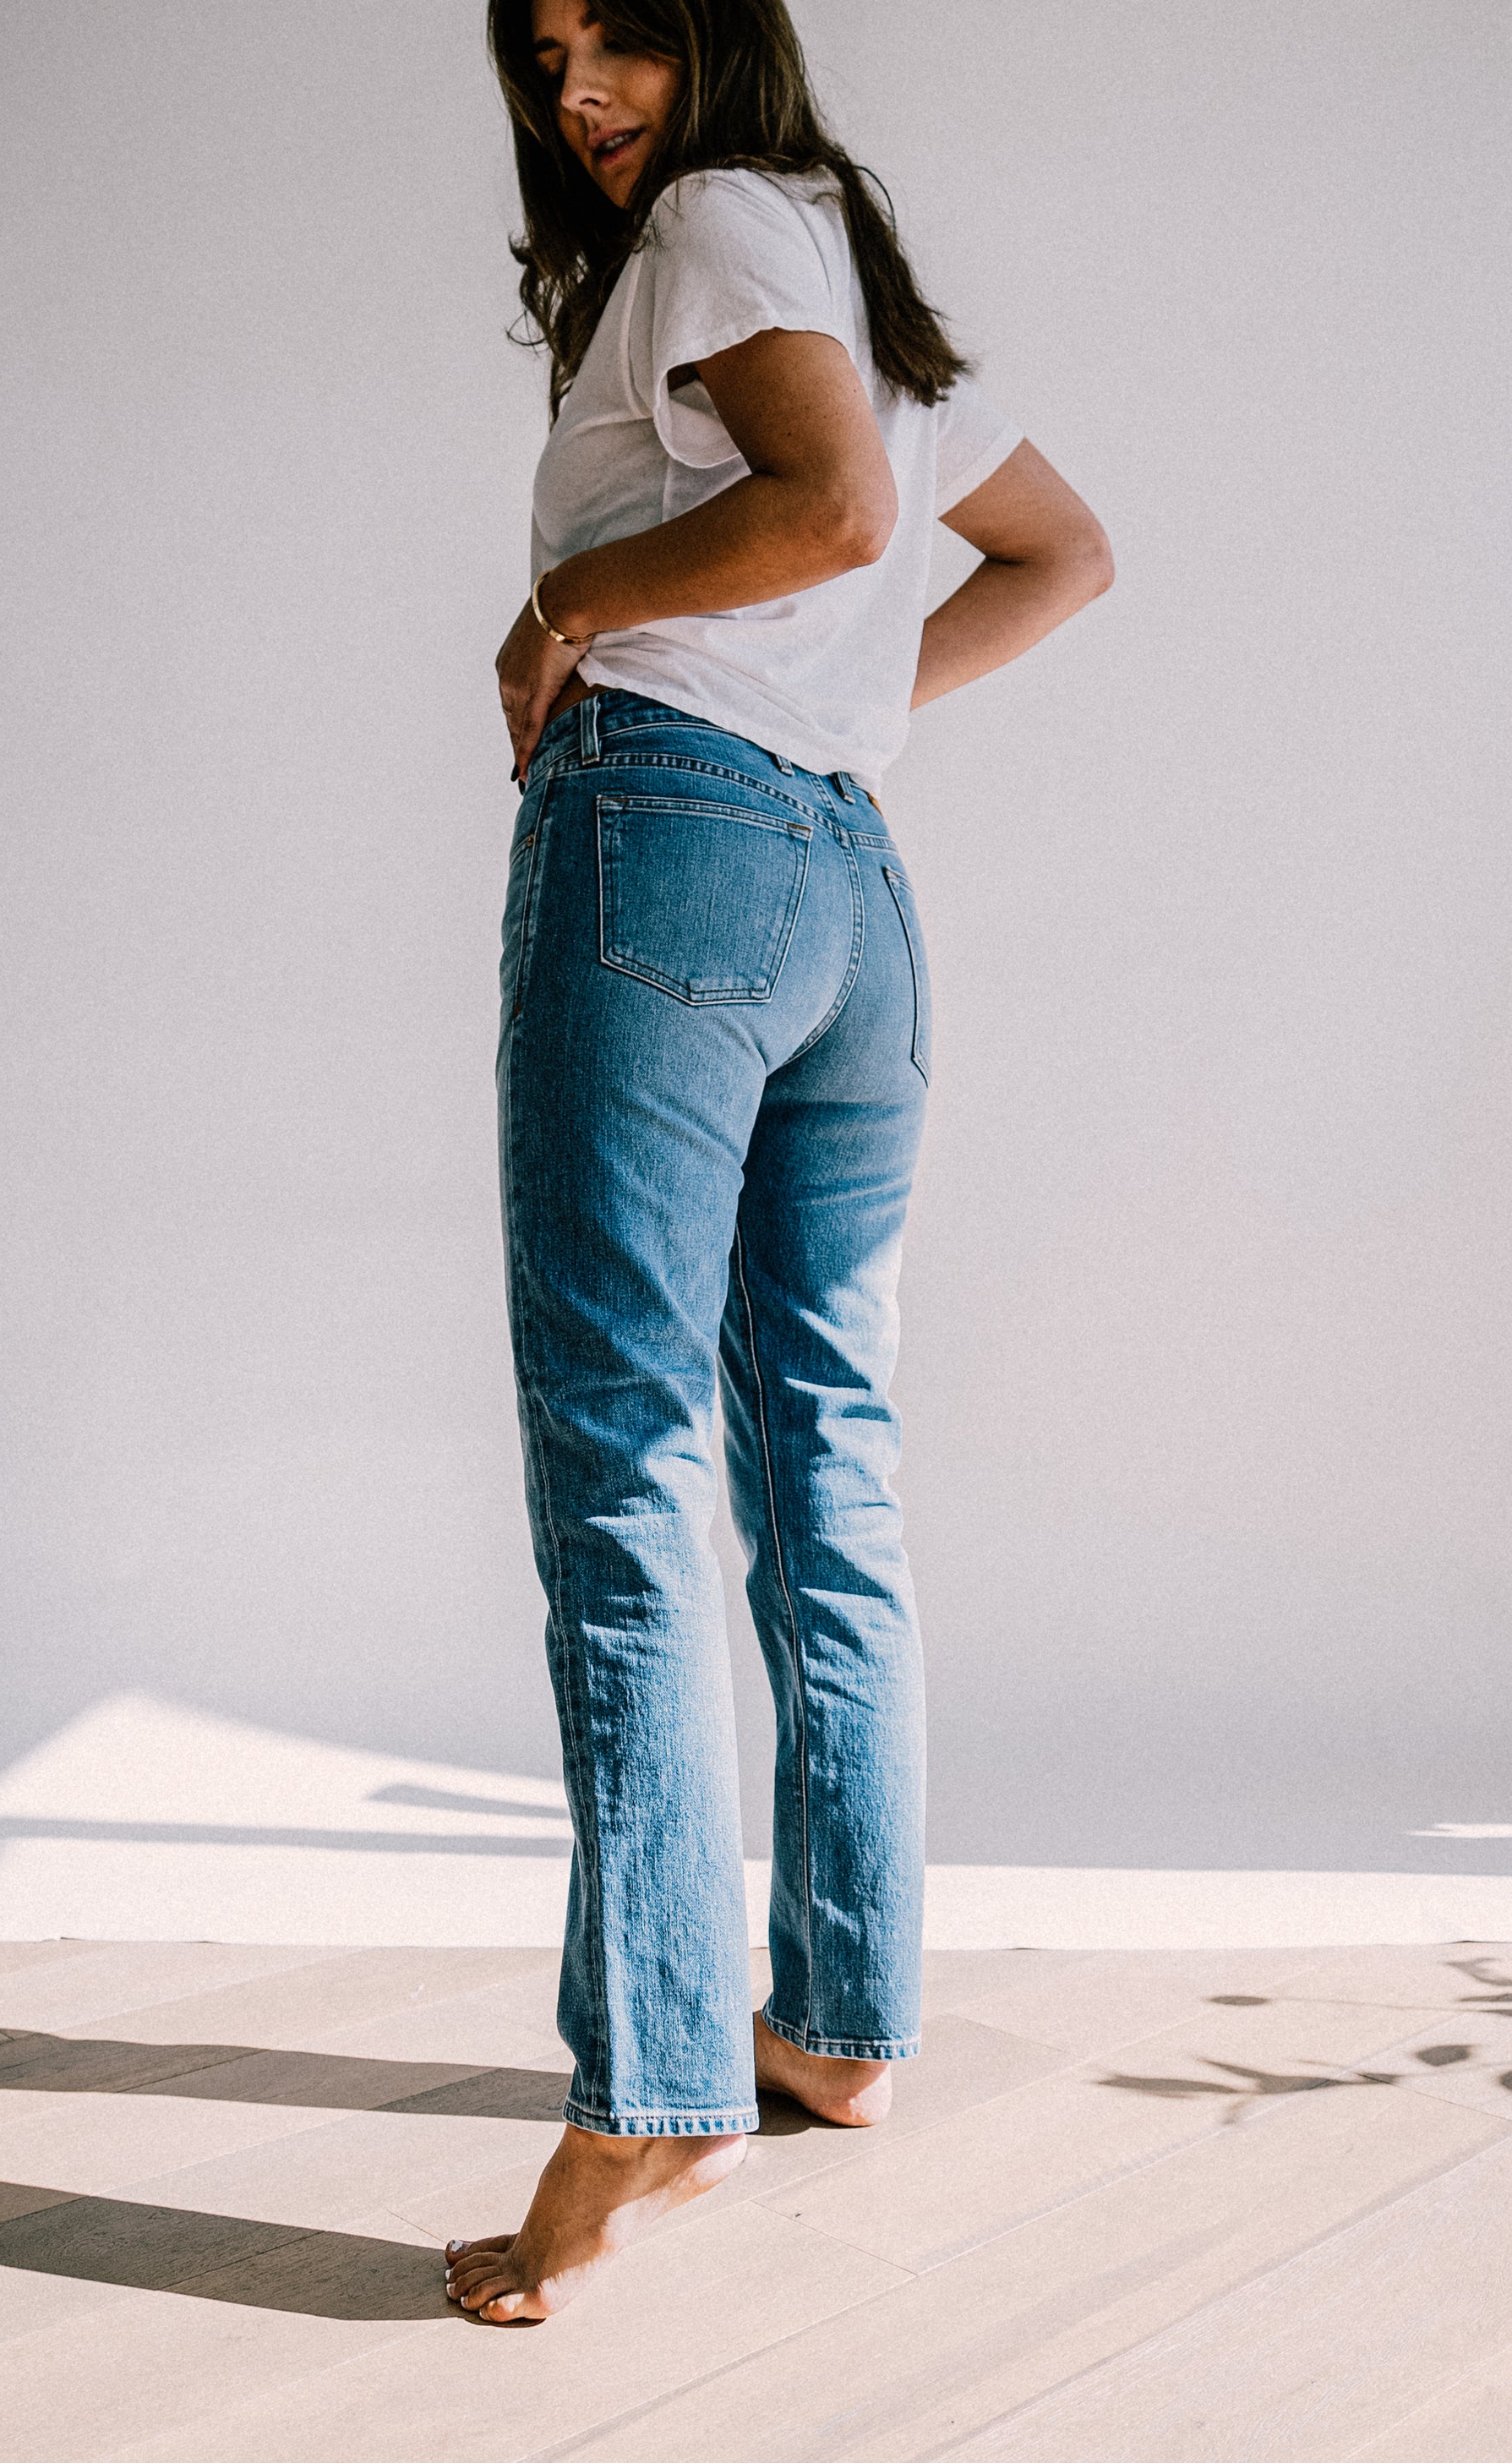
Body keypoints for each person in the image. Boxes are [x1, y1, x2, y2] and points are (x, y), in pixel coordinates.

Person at [446, 0, 1112, 2324]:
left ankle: (645, 2078)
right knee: (823, 1442)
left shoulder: (728, 223)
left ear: (725, 32)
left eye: (620, 34)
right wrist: (833, 717)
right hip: (849, 891)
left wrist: (572, 607)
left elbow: (828, 510)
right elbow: (1054, 554)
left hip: (671, 847)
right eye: (542, 56)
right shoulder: (856, 265)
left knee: (619, 1447)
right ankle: (832, 2021)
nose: (580, 94)